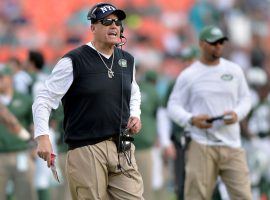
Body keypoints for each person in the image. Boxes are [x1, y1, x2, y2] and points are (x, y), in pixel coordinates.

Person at [32, 2, 144, 200]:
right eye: (106, 21)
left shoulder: (127, 59)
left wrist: (135, 114)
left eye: (117, 22)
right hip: (86, 147)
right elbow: (44, 98)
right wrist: (42, 136)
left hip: (121, 146)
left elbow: (133, 92)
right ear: (92, 27)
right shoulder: (74, 60)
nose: (114, 26)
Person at [167, 25, 253, 200]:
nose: (218, 46)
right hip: (201, 144)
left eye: (220, 42)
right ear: (201, 44)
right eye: (213, 43)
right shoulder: (189, 74)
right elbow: (173, 106)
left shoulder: (234, 70)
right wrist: (191, 119)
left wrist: (237, 114)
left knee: (243, 195)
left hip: (231, 144)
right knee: (196, 196)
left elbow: (246, 99)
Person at [0, 66, 36, 200]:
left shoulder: (24, 99)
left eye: (1, 78)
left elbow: (34, 125)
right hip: (0, 154)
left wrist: (34, 146)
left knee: (26, 193)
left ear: (10, 79)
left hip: (21, 152)